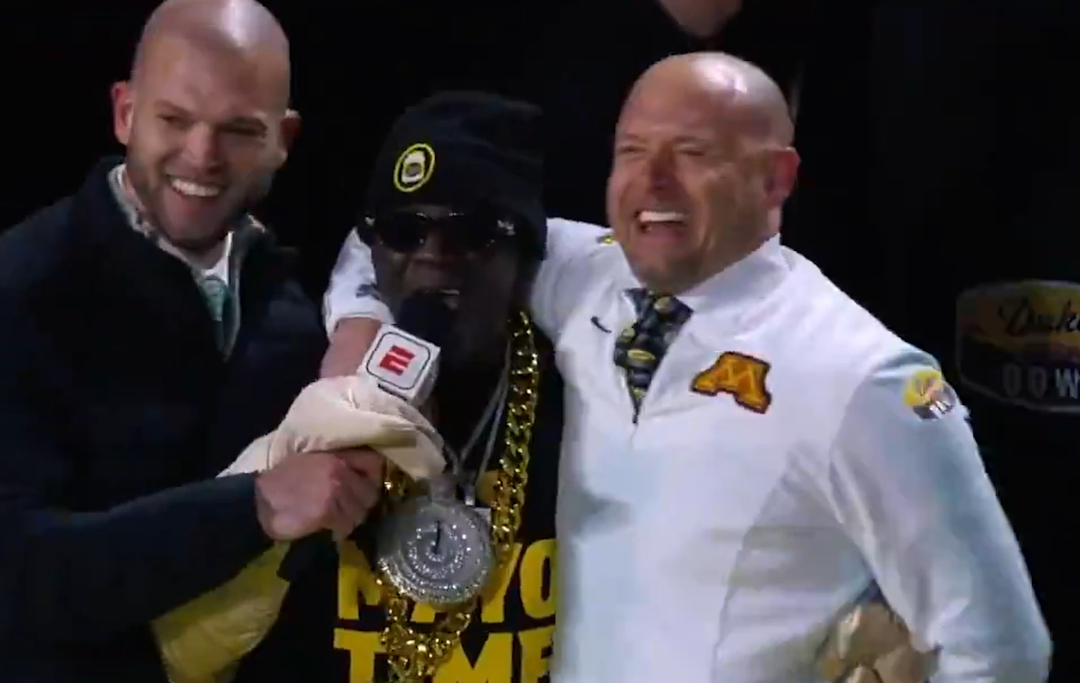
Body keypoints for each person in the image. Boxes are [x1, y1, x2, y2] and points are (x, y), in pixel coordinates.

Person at [322, 53, 1052, 682]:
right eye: (633, 151)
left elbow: (1002, 651)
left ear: (776, 179)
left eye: (693, 153)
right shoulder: (586, 276)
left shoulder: (862, 377)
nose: (654, 182)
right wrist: (357, 336)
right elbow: (393, 234)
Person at [0, 1, 384, 681]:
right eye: (174, 120)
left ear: (283, 139)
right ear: (125, 113)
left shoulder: (287, 315)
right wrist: (255, 505)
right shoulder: (4, 301)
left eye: (238, 130)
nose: (202, 155)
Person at [230, 91, 566, 683]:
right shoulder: (291, 379)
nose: (432, 257)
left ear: (525, 249)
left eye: (473, 231)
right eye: (403, 230)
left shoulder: (584, 396)